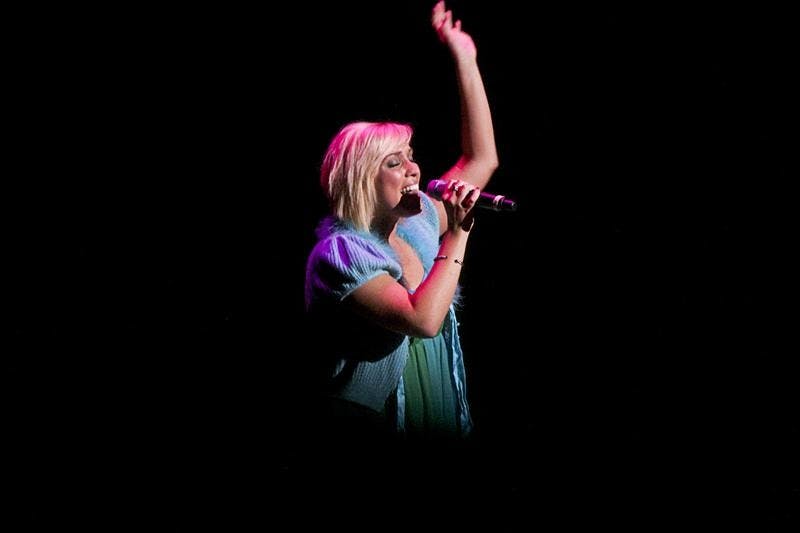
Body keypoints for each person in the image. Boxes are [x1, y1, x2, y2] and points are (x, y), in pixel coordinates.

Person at [304, 1, 499, 452]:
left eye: (411, 156)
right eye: (395, 162)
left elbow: (482, 159)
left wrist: (465, 58)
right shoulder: (342, 253)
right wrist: (459, 233)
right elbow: (423, 320)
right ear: (360, 181)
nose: (413, 169)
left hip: (437, 402)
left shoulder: (418, 225)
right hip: (373, 425)